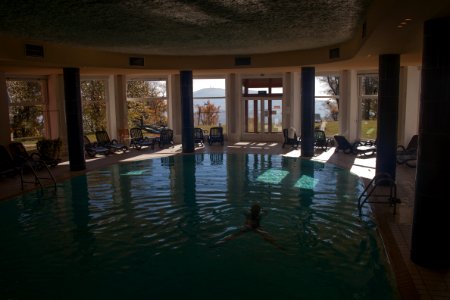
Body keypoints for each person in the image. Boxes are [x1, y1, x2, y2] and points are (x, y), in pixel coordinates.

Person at [216, 203, 286, 251]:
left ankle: (221, 242)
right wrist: (264, 210)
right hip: (257, 228)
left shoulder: (248, 214)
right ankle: (277, 246)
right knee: (266, 236)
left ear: (251, 210)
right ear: (259, 211)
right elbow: (266, 212)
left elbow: (243, 211)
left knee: (234, 235)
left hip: (247, 227)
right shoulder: (260, 215)